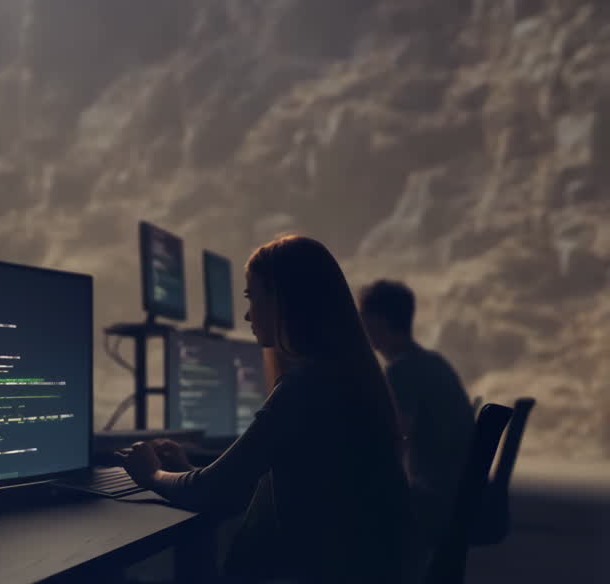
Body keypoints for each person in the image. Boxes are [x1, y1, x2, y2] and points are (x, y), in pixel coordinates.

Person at [120, 235, 413, 583]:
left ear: (283, 300)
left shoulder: (306, 387)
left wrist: (151, 474)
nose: (247, 313)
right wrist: (186, 469)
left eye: (251, 296)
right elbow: (237, 484)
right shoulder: (344, 376)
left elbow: (211, 491)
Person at [358, 279, 474, 547]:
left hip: (434, 498)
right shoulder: (432, 362)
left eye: (362, 316)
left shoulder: (402, 371)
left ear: (377, 320)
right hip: (456, 493)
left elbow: (392, 440)